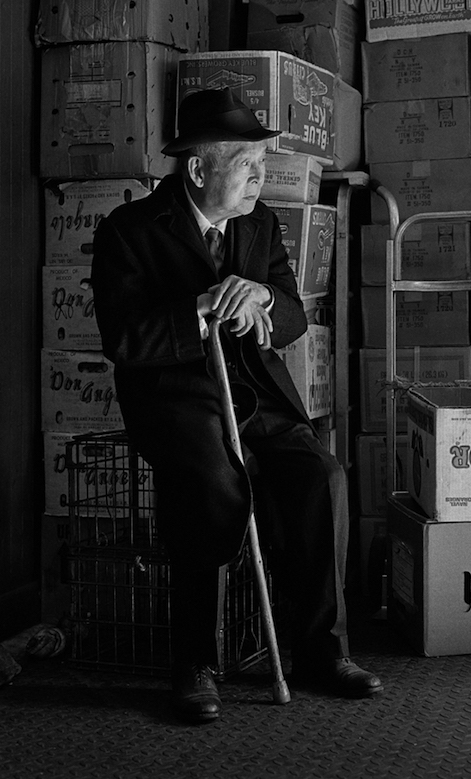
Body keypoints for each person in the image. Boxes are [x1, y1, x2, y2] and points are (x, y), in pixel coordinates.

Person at [91, 88, 383, 724]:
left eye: (260, 161)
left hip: (255, 395)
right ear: (200, 170)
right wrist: (200, 308)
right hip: (178, 401)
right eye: (246, 162)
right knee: (212, 484)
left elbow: (295, 317)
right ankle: (195, 662)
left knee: (321, 476)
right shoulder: (129, 232)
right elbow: (126, 340)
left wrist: (263, 300)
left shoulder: (260, 225)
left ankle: (320, 650)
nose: (259, 175)